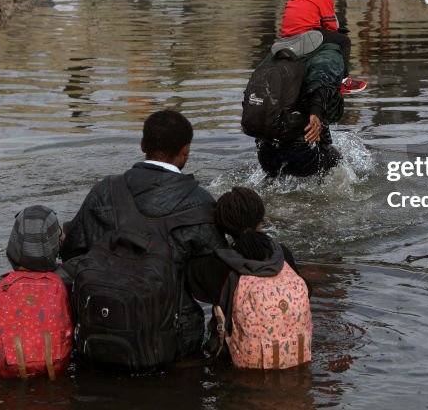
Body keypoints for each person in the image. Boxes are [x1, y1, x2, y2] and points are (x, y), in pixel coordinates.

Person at [60, 110, 227, 362]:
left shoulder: (105, 190)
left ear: (142, 145)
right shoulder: (201, 203)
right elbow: (217, 285)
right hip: (173, 341)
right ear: (186, 151)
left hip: (101, 327)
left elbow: (71, 253)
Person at [206, 187, 312, 369]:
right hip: (295, 354)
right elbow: (308, 290)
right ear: (261, 218)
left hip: (239, 363)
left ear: (222, 226)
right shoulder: (282, 253)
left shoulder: (220, 263)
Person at [0, 205, 74, 378]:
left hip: (7, 377)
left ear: (14, 242)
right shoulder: (68, 281)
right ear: (54, 242)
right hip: (56, 375)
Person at [281, 0, 367, 95]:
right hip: (306, 34)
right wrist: (336, 34)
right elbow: (330, 24)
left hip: (287, 36)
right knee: (344, 41)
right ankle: (343, 81)